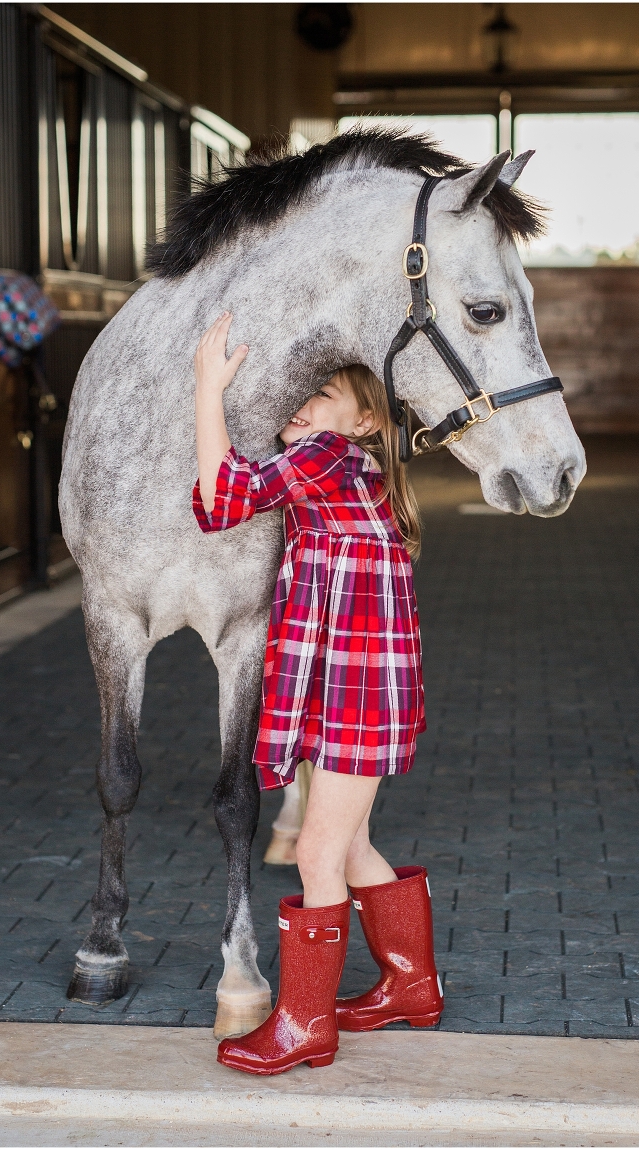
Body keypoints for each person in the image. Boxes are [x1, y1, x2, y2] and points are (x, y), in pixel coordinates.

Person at [193, 312, 443, 1076]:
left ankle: (304, 1026)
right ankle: (411, 986)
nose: (300, 406)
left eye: (323, 393)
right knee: (353, 843)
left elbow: (223, 498)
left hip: (354, 696)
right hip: (361, 692)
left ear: (364, 418)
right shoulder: (353, 471)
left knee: (317, 850)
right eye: (299, 394)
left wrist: (209, 390)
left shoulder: (332, 455)